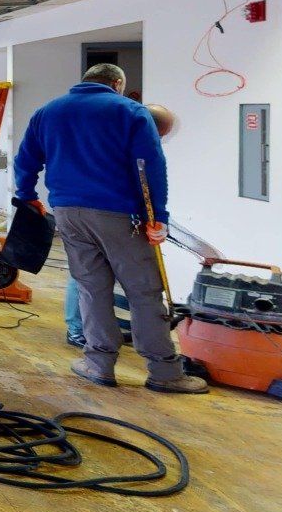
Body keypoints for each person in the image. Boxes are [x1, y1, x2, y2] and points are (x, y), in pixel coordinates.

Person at [15, 68, 205, 393]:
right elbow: (150, 165)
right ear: (118, 83)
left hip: (67, 213)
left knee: (91, 287)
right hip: (119, 214)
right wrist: (157, 215)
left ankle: (98, 363)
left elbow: (25, 160)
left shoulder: (47, 112)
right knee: (143, 291)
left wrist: (28, 196)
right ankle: (164, 372)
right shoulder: (129, 111)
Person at [63, 102, 176, 347]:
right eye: (160, 136)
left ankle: (88, 331)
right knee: (92, 278)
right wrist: (158, 217)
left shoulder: (105, 135)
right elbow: (149, 180)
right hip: (106, 215)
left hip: (75, 210)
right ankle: (79, 330)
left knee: (90, 274)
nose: (159, 141)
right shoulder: (130, 145)